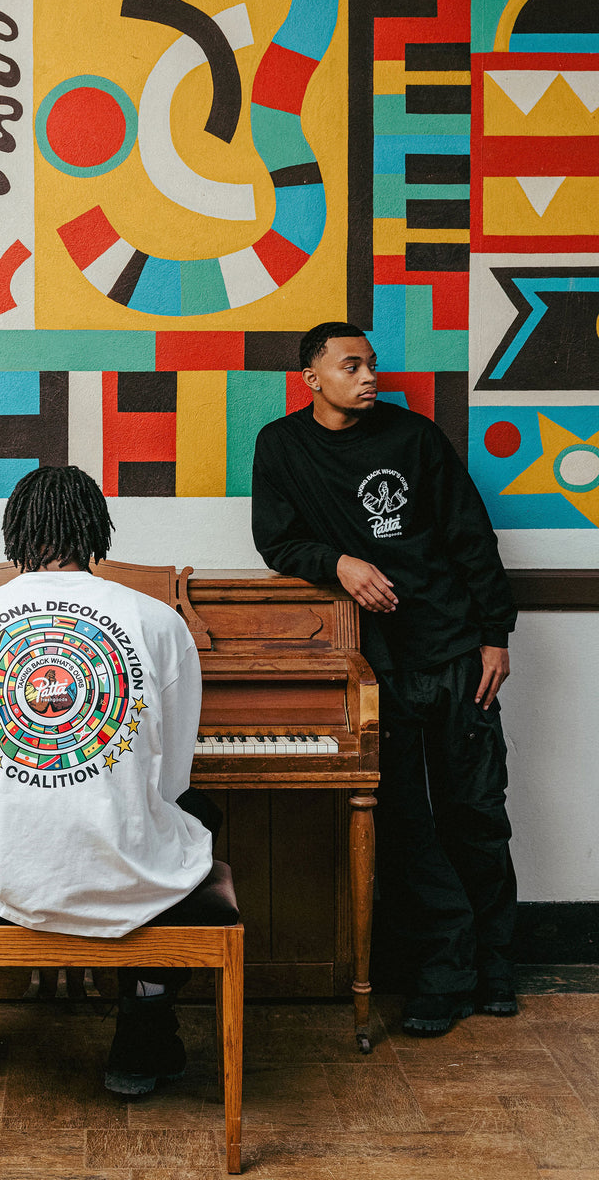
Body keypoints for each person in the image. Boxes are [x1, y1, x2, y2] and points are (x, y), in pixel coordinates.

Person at [0, 465, 218, 1091]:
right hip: (127, 865)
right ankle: (143, 1029)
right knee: (200, 814)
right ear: (97, 531)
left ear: (16, 533)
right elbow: (173, 775)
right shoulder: (159, 620)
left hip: (2, 866)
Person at [250, 322, 518, 1037]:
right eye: (351, 366)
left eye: (371, 364)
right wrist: (338, 563)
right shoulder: (282, 446)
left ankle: (495, 968)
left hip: (456, 650)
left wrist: (495, 634)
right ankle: (443, 973)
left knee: (475, 812)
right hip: (377, 665)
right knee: (400, 820)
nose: (369, 376)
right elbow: (277, 540)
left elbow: (470, 533)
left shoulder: (415, 437)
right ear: (312, 378)